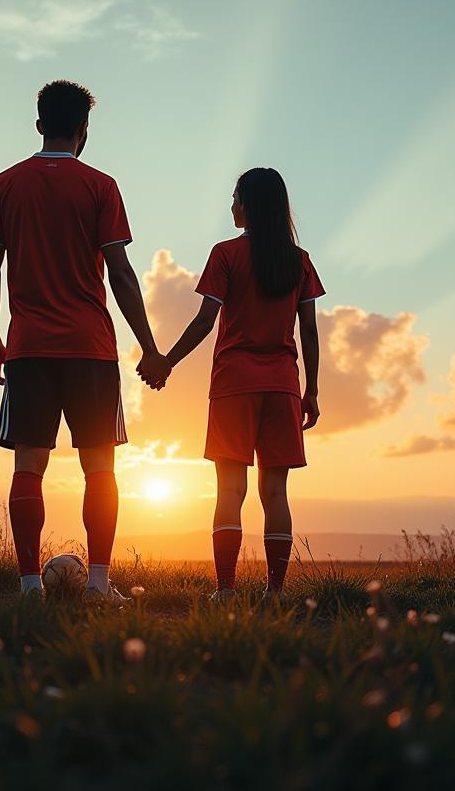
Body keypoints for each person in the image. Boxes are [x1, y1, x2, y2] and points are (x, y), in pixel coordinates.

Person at [0, 80, 165, 602]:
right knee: (100, 468)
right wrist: (149, 347)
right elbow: (122, 275)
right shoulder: (101, 186)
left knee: (28, 467)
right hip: (91, 350)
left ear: (39, 125)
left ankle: (30, 586)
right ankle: (99, 585)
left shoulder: (5, 184)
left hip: (29, 348)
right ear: (84, 130)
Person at [139, 168, 323, 602]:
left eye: (235, 198)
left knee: (230, 490)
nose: (231, 206)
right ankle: (275, 592)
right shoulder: (298, 261)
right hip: (282, 386)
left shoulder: (225, 254)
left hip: (233, 385)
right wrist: (311, 390)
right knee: (275, 492)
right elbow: (309, 330)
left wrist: (167, 361)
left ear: (248, 204)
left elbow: (206, 320)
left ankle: (225, 591)